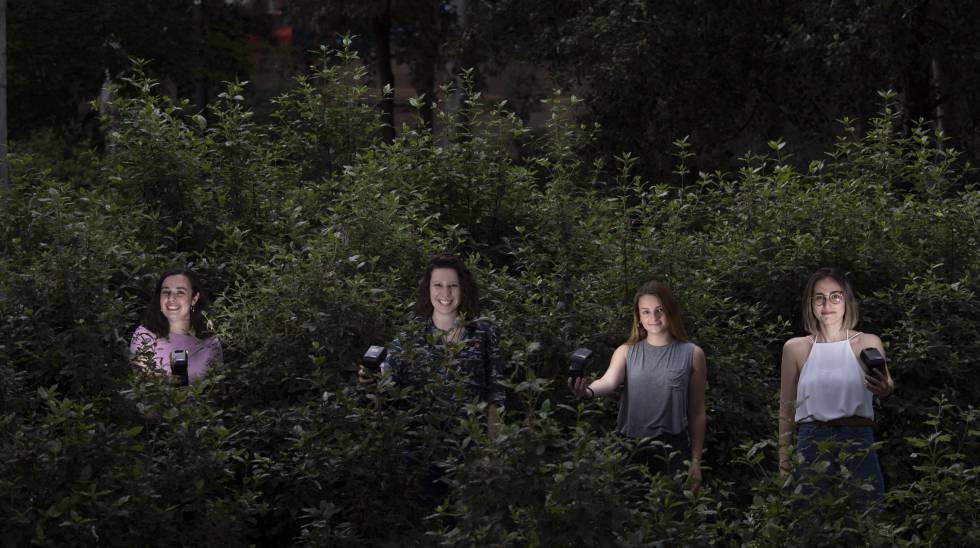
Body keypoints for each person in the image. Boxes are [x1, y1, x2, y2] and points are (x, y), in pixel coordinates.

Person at [568, 280, 707, 485]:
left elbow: (697, 412)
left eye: (659, 310)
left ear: (670, 310)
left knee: (672, 514)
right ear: (639, 317)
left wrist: (695, 463)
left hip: (673, 449)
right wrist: (587, 391)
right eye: (646, 311)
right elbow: (608, 381)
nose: (653, 317)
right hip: (630, 447)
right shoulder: (626, 351)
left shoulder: (693, 354)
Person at [778, 267, 894, 502]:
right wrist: (784, 460)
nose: (826, 304)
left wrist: (886, 387)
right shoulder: (795, 348)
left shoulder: (867, 342)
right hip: (811, 441)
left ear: (846, 301)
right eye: (819, 298)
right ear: (811, 304)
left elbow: (887, 382)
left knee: (867, 516)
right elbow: (786, 409)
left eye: (835, 296)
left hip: (858, 437)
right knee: (808, 521)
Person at [359, 254, 506, 438]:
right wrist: (372, 378)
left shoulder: (483, 334)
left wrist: (493, 448)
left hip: (469, 450)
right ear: (428, 288)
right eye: (438, 285)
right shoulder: (409, 338)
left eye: (453, 285)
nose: (445, 293)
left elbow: (495, 394)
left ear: (464, 289)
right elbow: (389, 385)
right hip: (417, 450)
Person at [130, 268, 222, 384]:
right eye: (166, 292)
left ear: (194, 299)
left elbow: (219, 389)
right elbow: (143, 379)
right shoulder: (143, 336)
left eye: (180, 293)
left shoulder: (210, 341)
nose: (171, 299)